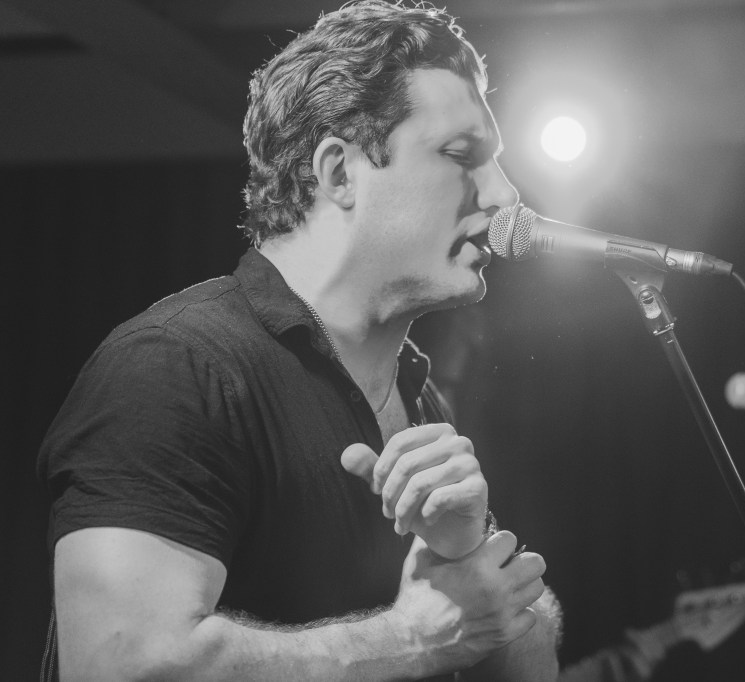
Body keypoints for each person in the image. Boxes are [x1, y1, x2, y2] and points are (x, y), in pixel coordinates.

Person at [37, 1, 561, 679]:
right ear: (339, 173)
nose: (505, 195)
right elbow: (120, 666)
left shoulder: (417, 397)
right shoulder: (175, 367)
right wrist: (412, 638)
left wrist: (467, 558)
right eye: (461, 155)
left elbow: (523, 665)